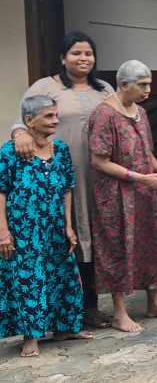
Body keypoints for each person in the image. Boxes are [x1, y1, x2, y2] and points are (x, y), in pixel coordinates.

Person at [10, 31, 114, 329]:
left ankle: (91, 306)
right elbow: (21, 122)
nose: (83, 59)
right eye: (76, 53)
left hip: (101, 176)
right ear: (62, 57)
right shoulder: (45, 86)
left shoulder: (104, 88)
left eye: (88, 54)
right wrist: (20, 136)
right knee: (67, 238)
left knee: (97, 237)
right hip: (60, 178)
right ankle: (60, 312)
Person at [89, 60, 157, 332]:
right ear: (124, 85)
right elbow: (100, 161)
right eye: (142, 85)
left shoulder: (140, 112)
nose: (148, 89)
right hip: (115, 196)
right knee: (117, 249)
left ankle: (154, 302)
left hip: (143, 192)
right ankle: (120, 313)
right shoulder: (104, 115)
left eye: (150, 83)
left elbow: (145, 151)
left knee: (150, 244)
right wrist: (142, 178)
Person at [1, 96, 92, 357]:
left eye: (55, 115)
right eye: (49, 116)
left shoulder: (61, 150)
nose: (56, 120)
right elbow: (1, 191)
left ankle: (64, 328)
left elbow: (66, 189)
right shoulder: (11, 151)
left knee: (61, 276)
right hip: (24, 231)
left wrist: (68, 226)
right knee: (30, 281)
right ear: (29, 121)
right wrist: (3, 231)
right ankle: (31, 337)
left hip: (53, 227)